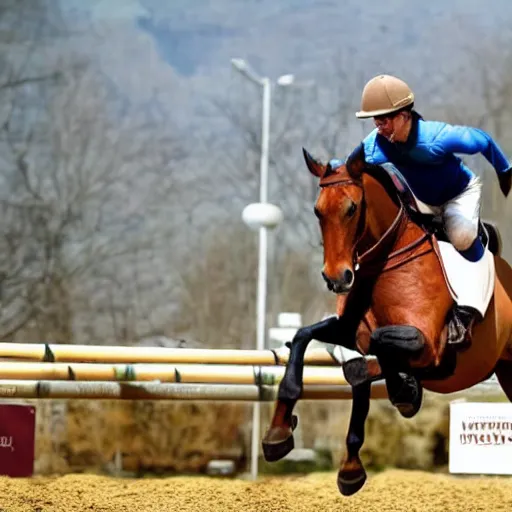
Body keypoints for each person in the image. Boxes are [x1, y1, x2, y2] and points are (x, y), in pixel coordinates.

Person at [352, 74, 512, 347]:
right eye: (376, 122)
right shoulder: (374, 145)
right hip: (421, 201)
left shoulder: (436, 137)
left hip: (458, 195)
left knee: (460, 237)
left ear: (404, 116)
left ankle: (468, 312)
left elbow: (482, 141)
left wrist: (505, 170)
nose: (380, 128)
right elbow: (347, 169)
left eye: (385, 120)